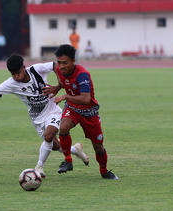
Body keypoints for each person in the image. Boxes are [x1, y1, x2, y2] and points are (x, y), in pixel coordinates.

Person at [0, 54, 89, 178]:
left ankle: (39, 168)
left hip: (52, 109)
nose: (16, 77)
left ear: (24, 68)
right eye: (13, 74)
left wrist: (59, 85)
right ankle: (75, 150)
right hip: (36, 117)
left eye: (18, 73)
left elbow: (55, 65)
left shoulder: (36, 70)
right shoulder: (11, 83)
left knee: (49, 135)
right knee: (53, 145)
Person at [42, 44, 118, 180]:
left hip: (89, 112)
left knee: (98, 146)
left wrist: (65, 96)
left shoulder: (82, 74)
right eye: (59, 63)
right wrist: (57, 87)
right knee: (63, 127)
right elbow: (64, 82)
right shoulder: (60, 71)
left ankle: (104, 170)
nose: (61, 66)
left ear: (73, 61)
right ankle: (68, 161)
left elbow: (86, 99)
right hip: (72, 108)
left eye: (65, 63)